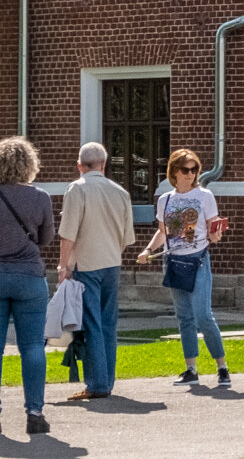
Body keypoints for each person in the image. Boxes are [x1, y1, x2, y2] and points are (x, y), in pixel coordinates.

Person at [0, 137, 59, 435]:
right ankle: (34, 412)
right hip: (30, 277)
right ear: (30, 164)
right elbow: (46, 239)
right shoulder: (41, 197)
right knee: (32, 346)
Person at [138, 148, 231, 388]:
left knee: (204, 315)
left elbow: (213, 229)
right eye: (185, 170)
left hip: (197, 259)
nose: (190, 174)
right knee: (185, 318)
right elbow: (163, 231)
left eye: (194, 170)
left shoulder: (205, 196)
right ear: (174, 172)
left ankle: (222, 367)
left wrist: (216, 235)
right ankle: (191, 369)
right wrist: (148, 250)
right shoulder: (165, 200)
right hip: (174, 261)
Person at [58, 141, 136, 401]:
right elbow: (126, 239)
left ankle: (96, 384)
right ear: (104, 164)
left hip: (86, 264)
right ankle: (106, 381)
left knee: (91, 324)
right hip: (112, 263)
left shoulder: (77, 189)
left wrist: (63, 265)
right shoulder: (120, 192)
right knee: (107, 324)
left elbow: (68, 232)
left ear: (80, 165)